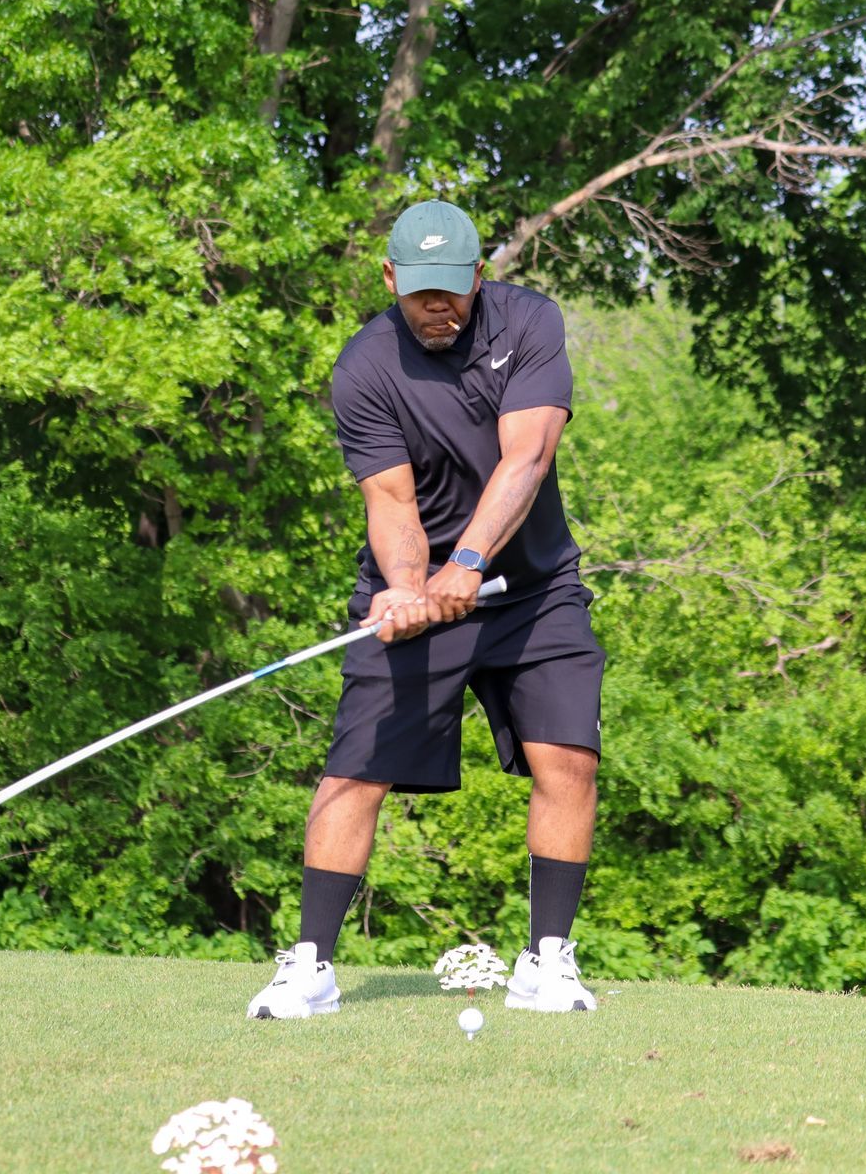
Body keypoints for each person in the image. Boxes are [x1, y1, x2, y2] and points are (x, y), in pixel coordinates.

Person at [247, 199, 605, 1019]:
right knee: (355, 772)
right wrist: (410, 587)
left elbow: (529, 457)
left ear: (480, 277)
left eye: (453, 289)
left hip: (533, 589)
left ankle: (548, 961)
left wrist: (470, 563)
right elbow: (390, 499)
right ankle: (311, 966)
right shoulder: (365, 367)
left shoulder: (528, 324)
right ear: (389, 280)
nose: (438, 307)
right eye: (420, 293)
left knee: (568, 760)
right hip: (416, 593)